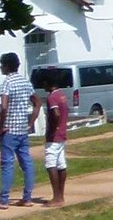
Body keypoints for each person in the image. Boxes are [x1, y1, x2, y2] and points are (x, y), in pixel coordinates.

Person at [0, 52, 38, 207]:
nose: (0, 67)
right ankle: (27, 198)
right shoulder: (25, 82)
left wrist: (0, 126)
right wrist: (31, 122)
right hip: (22, 130)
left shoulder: (7, 82)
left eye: (1, 64)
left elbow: (4, 106)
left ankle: (4, 199)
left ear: (6, 66)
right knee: (26, 163)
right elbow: (36, 103)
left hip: (9, 129)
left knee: (7, 164)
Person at [40, 72, 69, 207]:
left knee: (51, 164)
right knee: (61, 165)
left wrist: (53, 129)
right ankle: (61, 196)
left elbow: (56, 113)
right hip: (62, 134)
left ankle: (56, 197)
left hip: (54, 136)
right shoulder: (61, 95)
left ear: (47, 83)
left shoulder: (52, 97)